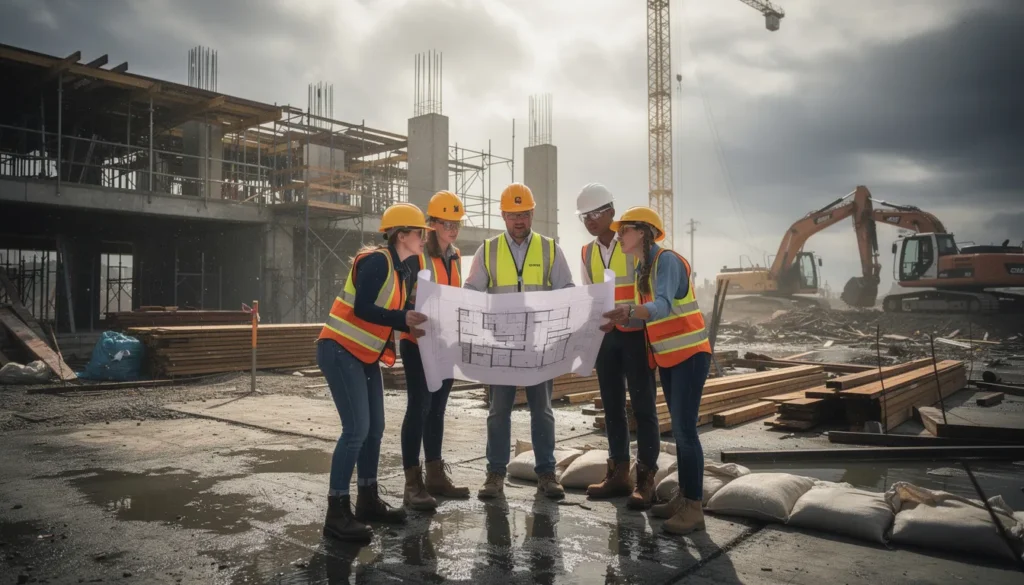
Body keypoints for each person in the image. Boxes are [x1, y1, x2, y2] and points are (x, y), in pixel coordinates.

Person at [316, 202, 432, 541]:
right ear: (402, 234)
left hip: (363, 355)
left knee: (375, 428)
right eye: (420, 232)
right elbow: (363, 308)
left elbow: (397, 313)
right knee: (356, 430)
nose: (424, 238)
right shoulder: (377, 261)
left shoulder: (401, 270)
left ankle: (367, 499)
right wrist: (402, 320)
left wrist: (415, 322)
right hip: (338, 349)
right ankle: (337, 512)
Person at [602, 206, 712, 536]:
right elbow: (650, 316)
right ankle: (684, 499)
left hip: (690, 357)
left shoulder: (667, 261)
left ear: (644, 232)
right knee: (680, 432)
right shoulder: (644, 267)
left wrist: (631, 309)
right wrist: (623, 319)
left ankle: (693, 507)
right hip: (669, 358)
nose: (619, 235)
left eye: (625, 230)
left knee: (685, 432)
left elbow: (662, 305)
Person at [463, 182, 576, 501]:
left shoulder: (550, 248)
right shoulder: (488, 249)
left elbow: (566, 288)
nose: (519, 221)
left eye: (524, 214)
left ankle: (547, 473)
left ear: (532, 214)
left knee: (542, 410)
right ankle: (495, 474)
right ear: (502, 215)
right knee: (499, 411)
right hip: (502, 346)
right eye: (513, 215)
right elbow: (472, 290)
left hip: (539, 346)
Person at [574, 184, 660, 509]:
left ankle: (646, 479)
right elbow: (588, 295)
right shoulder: (586, 253)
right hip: (605, 337)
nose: (590, 220)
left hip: (636, 334)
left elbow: (650, 294)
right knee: (611, 406)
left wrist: (633, 320)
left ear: (611, 211)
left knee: (643, 407)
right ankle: (619, 473)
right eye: (584, 216)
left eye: (595, 213)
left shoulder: (635, 244)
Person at [399, 191, 472, 511]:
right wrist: (407, 323)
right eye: (446, 223)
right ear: (431, 224)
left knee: (438, 408)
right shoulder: (416, 257)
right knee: (420, 406)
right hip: (417, 344)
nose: (453, 229)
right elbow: (399, 299)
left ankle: (435, 475)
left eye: (456, 222)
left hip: (445, 344)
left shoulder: (455, 256)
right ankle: (412, 483)